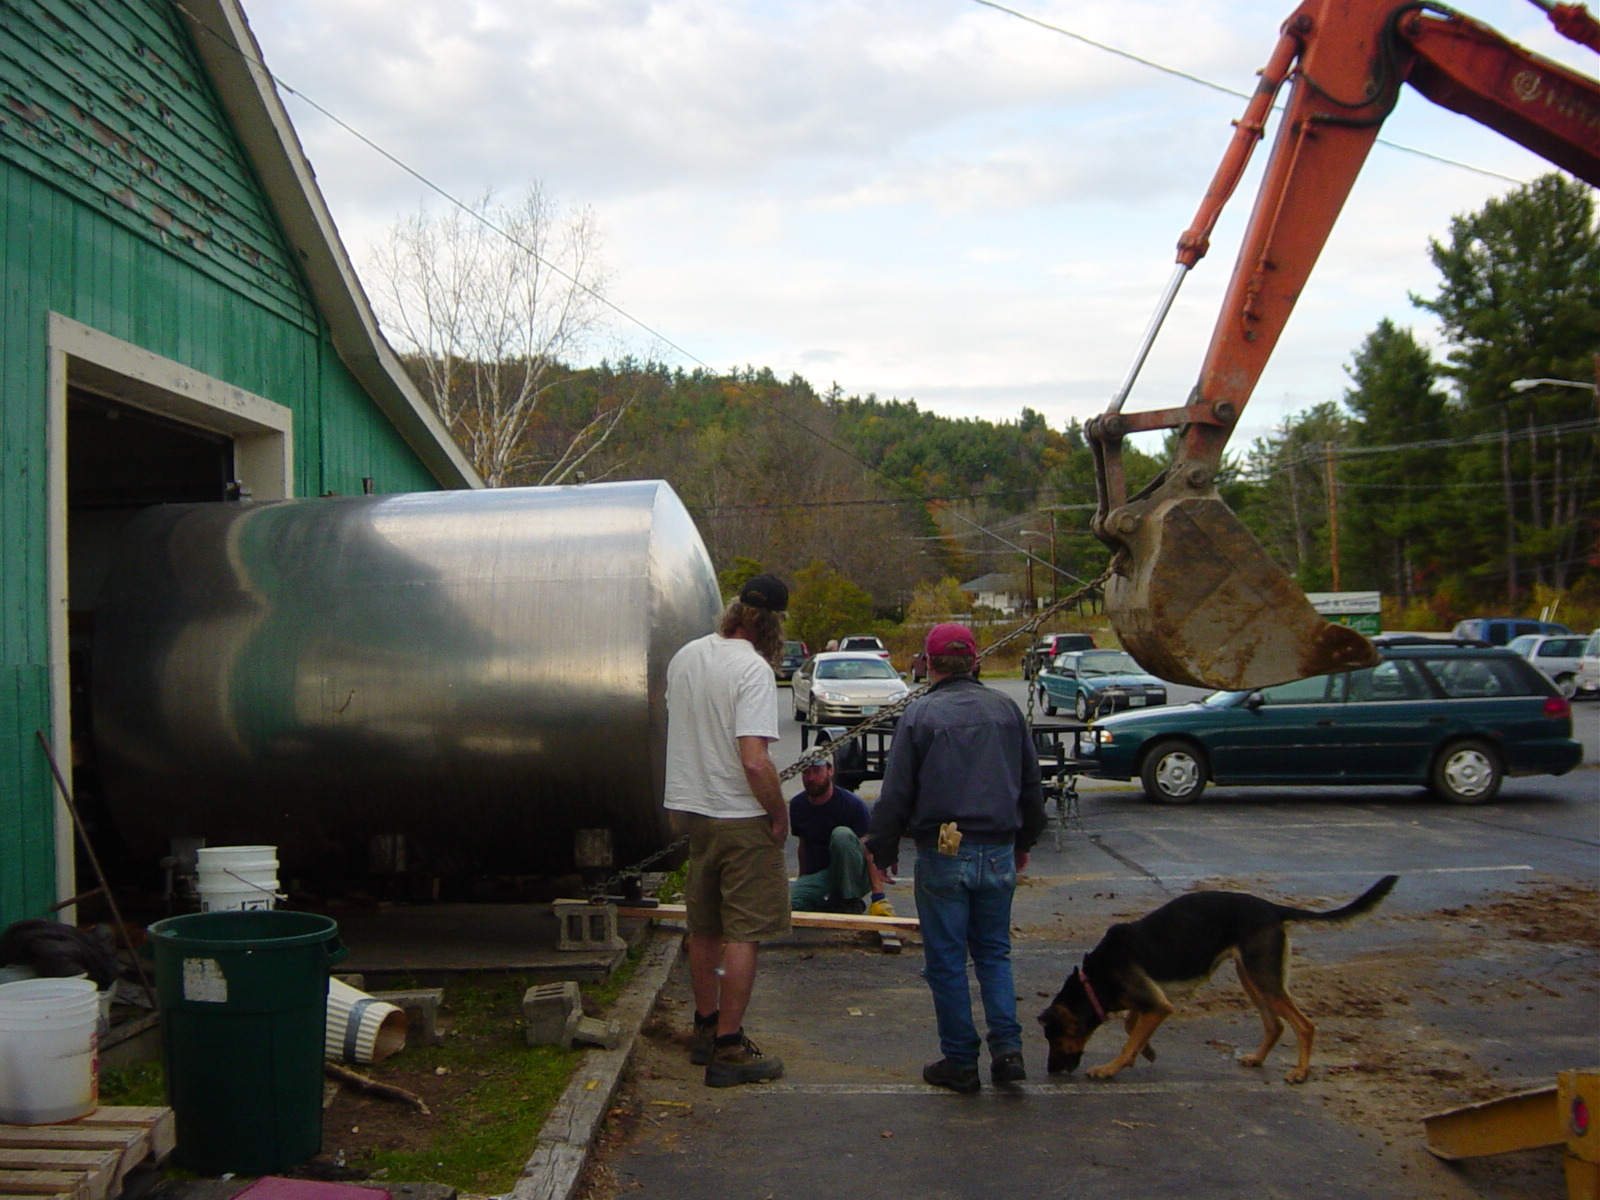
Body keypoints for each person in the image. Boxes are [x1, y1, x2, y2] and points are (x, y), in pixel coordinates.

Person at [865, 622, 1046, 1093]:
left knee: (946, 960)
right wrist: (1024, 841)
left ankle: (961, 1061)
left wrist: (881, 850)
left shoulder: (921, 716)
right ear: (975, 661)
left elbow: (896, 792)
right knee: (993, 953)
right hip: (998, 849)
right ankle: (1008, 1053)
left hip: (944, 850)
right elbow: (1031, 785)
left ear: (927, 664)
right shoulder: (1007, 710)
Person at [664, 573, 792, 1087]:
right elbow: (756, 762)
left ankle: (705, 1025)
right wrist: (779, 814)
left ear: (736, 610)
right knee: (745, 932)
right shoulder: (754, 670)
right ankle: (729, 1047)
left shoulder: (687, 656)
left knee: (705, 928)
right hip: (740, 816)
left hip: (694, 813)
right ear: (772, 624)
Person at [788, 759, 893, 916]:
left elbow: (869, 849)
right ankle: (833, 904)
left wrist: (878, 896)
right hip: (826, 875)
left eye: (817, 771)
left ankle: (850, 900)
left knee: (841, 835)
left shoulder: (852, 804)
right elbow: (803, 845)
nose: (811, 778)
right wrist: (805, 881)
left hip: (855, 874)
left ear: (830, 771)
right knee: (790, 905)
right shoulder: (798, 805)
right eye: (806, 772)